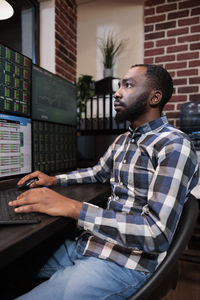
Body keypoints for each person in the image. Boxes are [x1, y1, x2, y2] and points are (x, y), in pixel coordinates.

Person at [9, 64, 199, 300]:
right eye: (119, 85)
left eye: (128, 85)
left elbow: (155, 233)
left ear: (155, 97)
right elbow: (98, 173)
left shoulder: (174, 145)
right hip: (91, 244)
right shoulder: (123, 141)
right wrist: (55, 179)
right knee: (8, 270)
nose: (117, 93)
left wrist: (74, 208)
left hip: (125, 263)